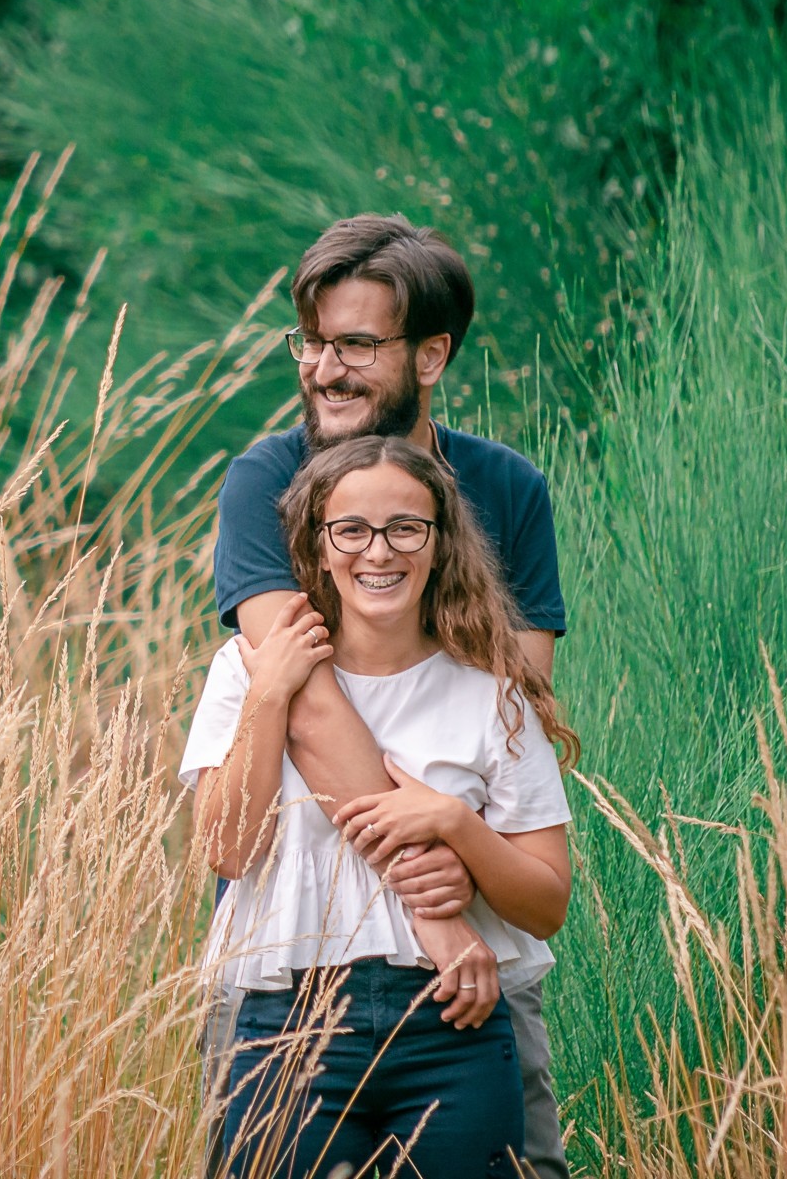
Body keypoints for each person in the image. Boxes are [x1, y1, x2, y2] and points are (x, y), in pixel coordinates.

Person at [210, 214, 572, 1177]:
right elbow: (301, 691)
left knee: (526, 1164)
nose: (325, 369)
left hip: (469, 981)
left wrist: (463, 858)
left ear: (432, 355)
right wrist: (432, 888)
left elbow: (516, 700)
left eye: (358, 345)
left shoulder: (507, 488)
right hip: (294, 962)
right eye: (314, 342)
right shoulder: (266, 481)